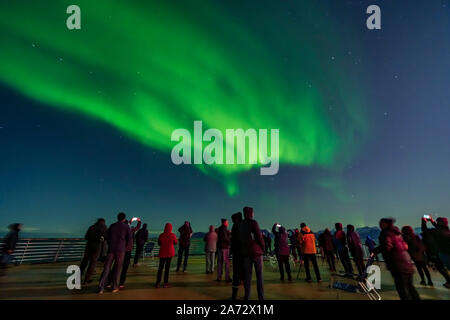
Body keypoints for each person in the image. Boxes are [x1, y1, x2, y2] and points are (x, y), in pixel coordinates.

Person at [372, 218, 420, 300]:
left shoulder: (385, 233)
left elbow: (387, 246)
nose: (379, 224)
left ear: (385, 224)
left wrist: (375, 251)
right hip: (407, 262)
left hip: (397, 264)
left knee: (402, 289)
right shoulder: (397, 232)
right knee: (410, 287)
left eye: (381, 223)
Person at [98, 212, 132, 294]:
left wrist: (110, 244)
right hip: (121, 250)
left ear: (117, 218)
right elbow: (129, 239)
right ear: (124, 218)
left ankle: (101, 287)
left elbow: (107, 236)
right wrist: (126, 248)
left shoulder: (112, 225)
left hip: (111, 249)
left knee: (107, 267)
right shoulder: (126, 226)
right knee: (117, 269)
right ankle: (114, 287)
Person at [240, 206, 265, 300]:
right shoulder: (254, 222)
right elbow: (259, 237)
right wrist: (263, 248)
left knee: (248, 276)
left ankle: (247, 297)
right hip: (257, 252)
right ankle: (261, 298)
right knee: (259, 276)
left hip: (246, 253)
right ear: (251, 213)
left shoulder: (241, 224)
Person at [421, 215, 450, 288]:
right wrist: (431, 220)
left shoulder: (441, 230)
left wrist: (424, 222)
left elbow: (425, 230)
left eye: (438, 222)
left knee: (441, 267)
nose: (436, 223)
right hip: (443, 252)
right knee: (441, 267)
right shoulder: (445, 229)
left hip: (444, 252)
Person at [113, 218, 141, 288]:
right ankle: (121, 283)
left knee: (116, 266)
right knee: (125, 267)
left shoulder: (119, 230)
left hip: (119, 250)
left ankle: (111, 281)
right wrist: (139, 221)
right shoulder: (130, 230)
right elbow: (137, 227)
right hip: (128, 250)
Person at [80, 218, 107, 284]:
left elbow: (86, 237)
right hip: (97, 247)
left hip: (89, 246)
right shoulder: (104, 227)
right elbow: (106, 237)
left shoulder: (92, 227)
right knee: (93, 263)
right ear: (103, 222)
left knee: (84, 261)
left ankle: (78, 277)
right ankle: (87, 279)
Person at [156, 223, 178, 288]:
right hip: (169, 253)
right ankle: (165, 283)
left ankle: (158, 283)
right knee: (167, 268)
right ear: (171, 228)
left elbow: (159, 243)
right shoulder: (173, 235)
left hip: (162, 253)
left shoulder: (161, 235)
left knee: (160, 268)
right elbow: (176, 242)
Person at [231, 212, 244, 300]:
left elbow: (235, 240)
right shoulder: (242, 225)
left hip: (237, 253)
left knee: (236, 273)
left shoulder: (235, 226)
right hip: (242, 253)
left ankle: (234, 295)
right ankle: (246, 294)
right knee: (244, 273)